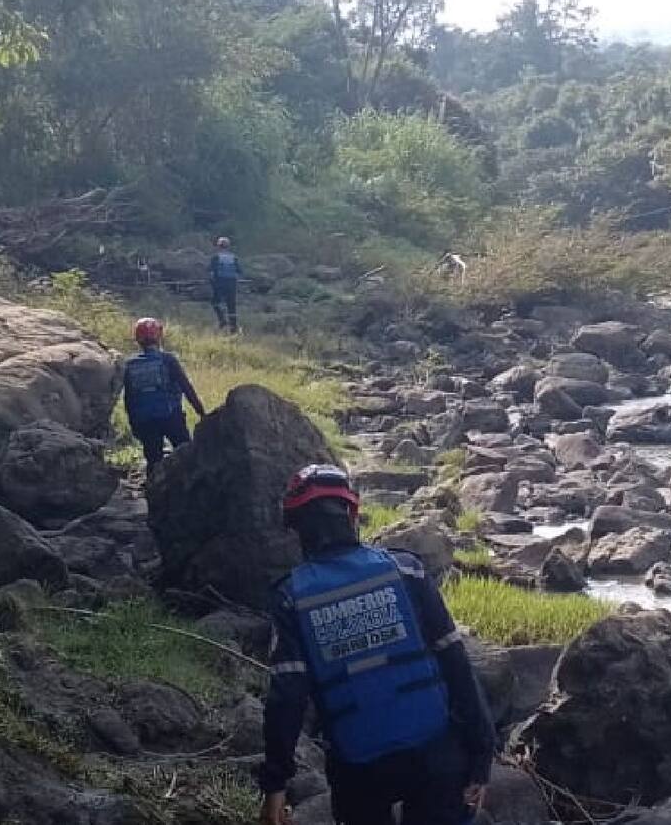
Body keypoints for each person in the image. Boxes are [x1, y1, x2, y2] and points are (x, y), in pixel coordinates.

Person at [258, 465, 494, 825]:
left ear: (296, 526)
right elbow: (457, 664)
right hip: (436, 752)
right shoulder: (406, 571)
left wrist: (275, 784)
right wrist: (481, 755)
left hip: (359, 767)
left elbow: (287, 697)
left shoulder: (291, 597)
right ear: (352, 514)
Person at [122, 317, 206, 473]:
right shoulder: (168, 360)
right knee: (187, 455)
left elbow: (129, 398)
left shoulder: (129, 365)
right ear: (159, 336)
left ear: (137, 339)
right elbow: (186, 387)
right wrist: (201, 412)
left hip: (145, 420)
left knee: (154, 460)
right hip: (171, 416)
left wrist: (134, 423)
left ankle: (153, 492)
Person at [210, 236, 242, 332]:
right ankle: (234, 326)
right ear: (228, 246)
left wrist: (213, 284)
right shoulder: (234, 257)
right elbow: (239, 271)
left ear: (218, 246)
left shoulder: (215, 257)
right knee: (231, 305)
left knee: (215, 303)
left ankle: (222, 320)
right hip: (232, 283)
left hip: (219, 283)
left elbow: (211, 273)